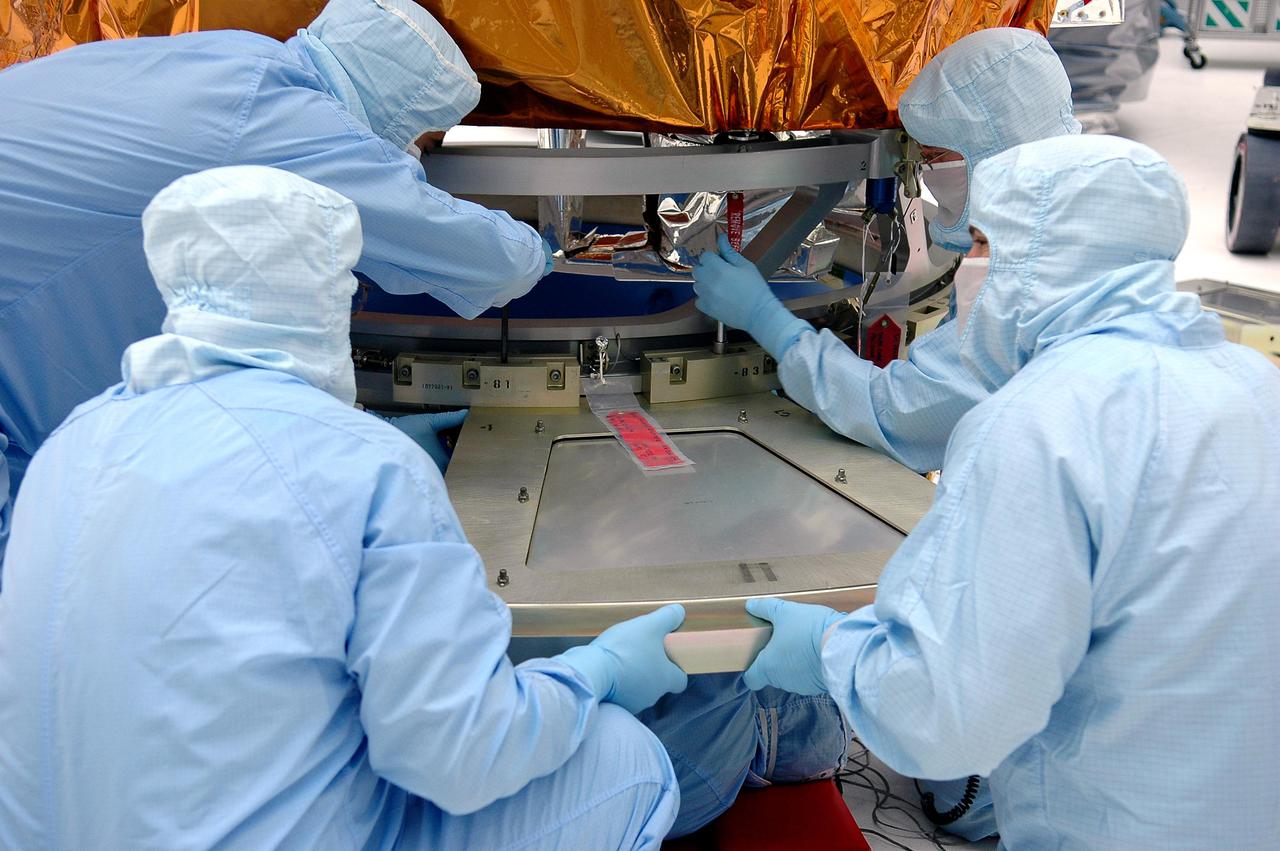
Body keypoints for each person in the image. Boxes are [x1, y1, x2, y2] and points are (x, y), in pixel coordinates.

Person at [0, 166, 684, 850]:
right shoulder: (366, 467)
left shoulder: (71, 443)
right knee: (627, 761)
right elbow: (463, 752)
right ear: (327, 293)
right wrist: (592, 672)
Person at [737, 135, 1280, 847]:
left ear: (1046, 256)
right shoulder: (1255, 385)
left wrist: (832, 649)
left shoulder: (1041, 425)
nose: (972, 269)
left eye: (987, 244)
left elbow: (945, 712)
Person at [0, 0, 553, 575]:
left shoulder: (232, 58)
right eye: (423, 141)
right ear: (396, 111)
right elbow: (488, 262)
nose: (415, 156)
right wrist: (550, 250)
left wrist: (350, 432)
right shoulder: (293, 125)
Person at [692, 28, 1080, 475]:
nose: (926, 173)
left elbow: (902, 414)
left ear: (995, 151)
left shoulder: (1023, 274)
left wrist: (771, 323)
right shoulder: (1072, 214)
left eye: (935, 157)